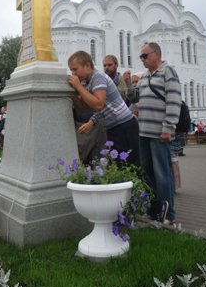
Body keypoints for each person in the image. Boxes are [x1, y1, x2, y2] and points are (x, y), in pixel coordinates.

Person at [68, 50, 169, 223]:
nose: (73, 73)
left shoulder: (98, 78)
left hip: (125, 127)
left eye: (75, 69)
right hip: (115, 129)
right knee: (119, 170)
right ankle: (126, 211)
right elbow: (83, 108)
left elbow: (98, 104)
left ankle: (158, 206)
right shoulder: (86, 82)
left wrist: (77, 87)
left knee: (135, 169)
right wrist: (72, 92)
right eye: (71, 70)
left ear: (87, 66)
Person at [123, 42, 181, 224]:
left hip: (159, 134)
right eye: (141, 56)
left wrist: (168, 128)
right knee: (147, 172)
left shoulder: (168, 72)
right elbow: (135, 98)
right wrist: (126, 84)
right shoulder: (146, 75)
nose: (142, 59)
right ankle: (154, 210)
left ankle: (168, 215)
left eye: (144, 56)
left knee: (162, 174)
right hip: (144, 133)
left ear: (156, 54)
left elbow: (174, 101)